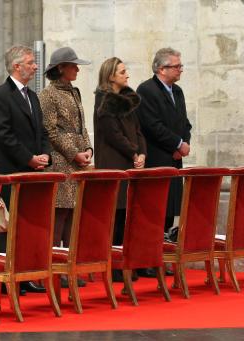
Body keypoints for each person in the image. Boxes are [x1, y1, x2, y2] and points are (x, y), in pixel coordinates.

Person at [0, 45, 52, 294]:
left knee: (29, 226)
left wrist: (45, 154)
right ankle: (6, 278)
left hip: (34, 172)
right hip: (13, 170)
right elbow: (3, 135)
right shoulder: (0, 96)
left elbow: (42, 131)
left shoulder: (32, 96)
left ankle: (25, 275)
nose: (35, 67)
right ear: (17, 66)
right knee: (11, 225)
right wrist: (29, 159)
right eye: (30, 62)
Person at [135, 48, 192, 278]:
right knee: (153, 212)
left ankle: (161, 256)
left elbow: (184, 122)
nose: (180, 69)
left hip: (174, 160)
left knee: (168, 212)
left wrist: (184, 143)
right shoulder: (146, 90)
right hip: (157, 158)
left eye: (180, 66)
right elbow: (151, 125)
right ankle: (146, 260)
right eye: (176, 66)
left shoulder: (177, 91)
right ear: (161, 68)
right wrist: (176, 144)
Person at [93, 57, 146, 281]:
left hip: (131, 162)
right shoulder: (104, 101)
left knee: (128, 216)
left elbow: (138, 130)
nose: (127, 75)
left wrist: (142, 153)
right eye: (123, 72)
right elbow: (113, 134)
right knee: (115, 215)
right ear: (111, 75)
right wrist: (133, 152)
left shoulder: (127, 99)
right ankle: (113, 267)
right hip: (114, 162)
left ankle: (128, 264)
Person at [39, 47, 92, 250]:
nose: (77, 69)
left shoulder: (74, 92)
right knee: (59, 216)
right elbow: (51, 132)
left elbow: (82, 126)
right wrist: (73, 153)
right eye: (73, 66)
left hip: (78, 163)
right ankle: (55, 267)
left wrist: (88, 149)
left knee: (75, 216)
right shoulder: (48, 95)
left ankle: (71, 266)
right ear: (61, 68)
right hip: (61, 163)